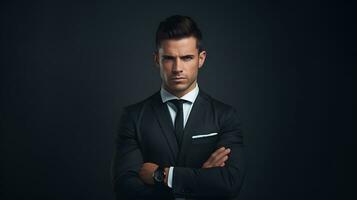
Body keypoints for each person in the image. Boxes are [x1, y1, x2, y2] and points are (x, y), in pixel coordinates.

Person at [111, 15, 245, 200]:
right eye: (168, 58)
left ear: (201, 59)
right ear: (157, 59)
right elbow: (125, 189)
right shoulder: (133, 117)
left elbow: (229, 183)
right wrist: (200, 178)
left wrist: (163, 176)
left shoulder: (224, 116)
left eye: (187, 58)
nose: (177, 68)